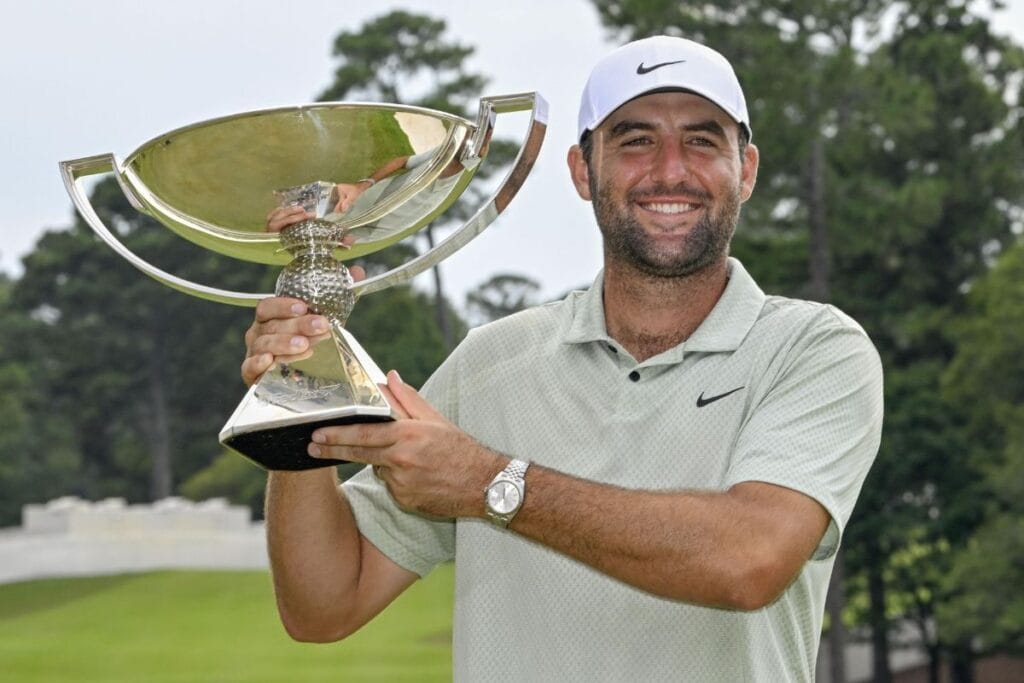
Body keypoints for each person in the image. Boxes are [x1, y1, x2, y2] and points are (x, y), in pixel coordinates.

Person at [246, 35, 883, 682]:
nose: (670, 169)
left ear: (744, 169)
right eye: (635, 140)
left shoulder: (813, 350)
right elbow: (324, 604)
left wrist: (492, 483)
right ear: (583, 170)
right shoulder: (492, 363)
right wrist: (300, 386)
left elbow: (751, 558)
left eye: (702, 140)